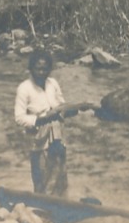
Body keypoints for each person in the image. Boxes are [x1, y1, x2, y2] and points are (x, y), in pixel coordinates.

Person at [14, 51, 89, 197]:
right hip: (38, 136)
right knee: (42, 173)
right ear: (31, 68)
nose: (41, 72)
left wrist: (77, 109)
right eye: (38, 68)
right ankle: (42, 208)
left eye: (45, 69)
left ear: (50, 69)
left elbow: (61, 106)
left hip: (57, 133)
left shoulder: (52, 83)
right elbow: (19, 117)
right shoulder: (24, 88)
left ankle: (60, 206)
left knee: (60, 172)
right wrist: (42, 118)